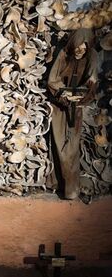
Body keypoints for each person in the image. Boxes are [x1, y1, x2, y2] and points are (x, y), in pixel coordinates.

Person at [46, 28, 98, 199]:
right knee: (59, 145)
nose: (80, 51)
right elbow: (53, 80)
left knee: (72, 148)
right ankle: (57, 183)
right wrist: (65, 95)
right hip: (60, 107)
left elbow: (92, 81)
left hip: (77, 108)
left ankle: (71, 189)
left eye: (84, 49)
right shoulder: (63, 54)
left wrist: (80, 97)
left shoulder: (92, 57)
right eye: (77, 48)